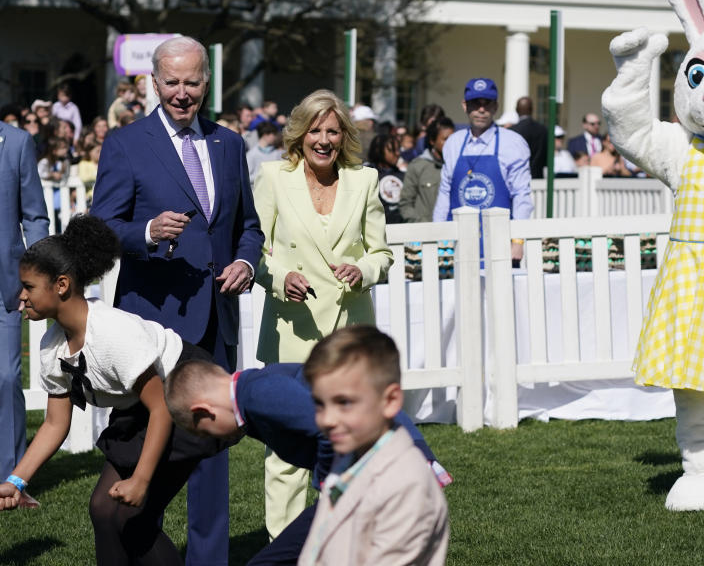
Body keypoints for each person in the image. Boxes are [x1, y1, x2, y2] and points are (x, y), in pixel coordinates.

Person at [91, 35, 264, 566]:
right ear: (154, 82)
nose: (182, 93)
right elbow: (98, 227)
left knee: (209, 455)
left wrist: (246, 263)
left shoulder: (229, 144)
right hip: (153, 329)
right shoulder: (126, 144)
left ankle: (208, 560)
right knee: (142, 462)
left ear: (205, 82)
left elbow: (248, 227)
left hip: (216, 326)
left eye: (192, 82)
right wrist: (144, 232)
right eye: (172, 82)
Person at [0, 215, 224, 565]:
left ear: (61, 285)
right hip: (144, 407)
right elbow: (55, 424)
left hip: (185, 394)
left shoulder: (111, 334)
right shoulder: (52, 346)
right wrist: (17, 481)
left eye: (28, 286)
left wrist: (141, 479)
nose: (21, 296)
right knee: (105, 510)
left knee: (125, 516)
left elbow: (163, 407)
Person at [252, 88, 393, 542]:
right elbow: (253, 253)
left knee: (354, 440)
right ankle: (284, 545)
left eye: (333, 131)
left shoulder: (365, 181)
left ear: (345, 136)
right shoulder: (273, 177)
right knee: (287, 448)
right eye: (316, 129)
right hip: (292, 329)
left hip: (350, 334)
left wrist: (364, 268)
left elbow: (383, 254)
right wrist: (278, 279)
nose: (324, 139)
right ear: (300, 133)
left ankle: (350, 540)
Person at [164, 357, 449, 565]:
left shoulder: (257, 393)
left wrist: (327, 482)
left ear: (204, 411)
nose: (213, 441)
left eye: (202, 433)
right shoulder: (252, 394)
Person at [298, 326, 449, 566]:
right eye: (319, 404)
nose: (327, 419)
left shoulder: (407, 485)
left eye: (344, 402)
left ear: (390, 401)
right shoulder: (349, 456)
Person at [0, 117, 48, 509]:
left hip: (6, 285)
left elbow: (33, 213)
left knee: (6, 377)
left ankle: (11, 480)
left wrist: (43, 272)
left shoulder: (16, 142)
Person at [432, 77, 533, 262]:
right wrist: (437, 236)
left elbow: (522, 195)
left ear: (496, 107)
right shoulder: (453, 143)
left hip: (500, 243)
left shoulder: (512, 143)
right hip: (456, 244)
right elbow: (444, 194)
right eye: (475, 103)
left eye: (487, 103)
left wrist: (518, 241)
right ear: (464, 106)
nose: (481, 109)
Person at [399, 116, 454, 223]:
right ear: (432, 140)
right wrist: (422, 224)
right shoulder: (418, 166)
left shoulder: (459, 166)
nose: (450, 143)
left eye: (452, 139)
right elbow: (406, 204)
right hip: (426, 234)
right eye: (445, 139)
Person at [366, 133, 405, 224]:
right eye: (392, 150)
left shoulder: (404, 175)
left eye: (398, 149)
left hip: (403, 229)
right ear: (378, 150)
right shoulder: (367, 175)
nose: (397, 153)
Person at [511, 96, 548, 179]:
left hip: (518, 178)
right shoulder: (543, 129)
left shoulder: (512, 131)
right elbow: (547, 158)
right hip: (538, 177)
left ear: (516, 110)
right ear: (532, 109)